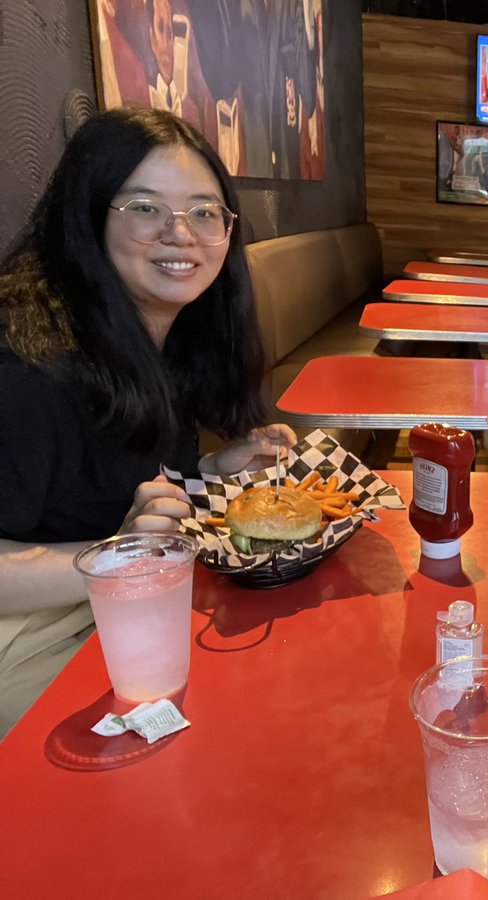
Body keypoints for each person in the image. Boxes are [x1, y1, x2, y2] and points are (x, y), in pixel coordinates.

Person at [0, 106, 295, 737]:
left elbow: (115, 484)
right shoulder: (29, 365)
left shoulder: (167, 336)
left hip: (116, 601)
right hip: (34, 631)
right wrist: (121, 559)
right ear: (88, 213)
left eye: (204, 211)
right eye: (143, 207)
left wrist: (211, 468)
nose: (179, 233)